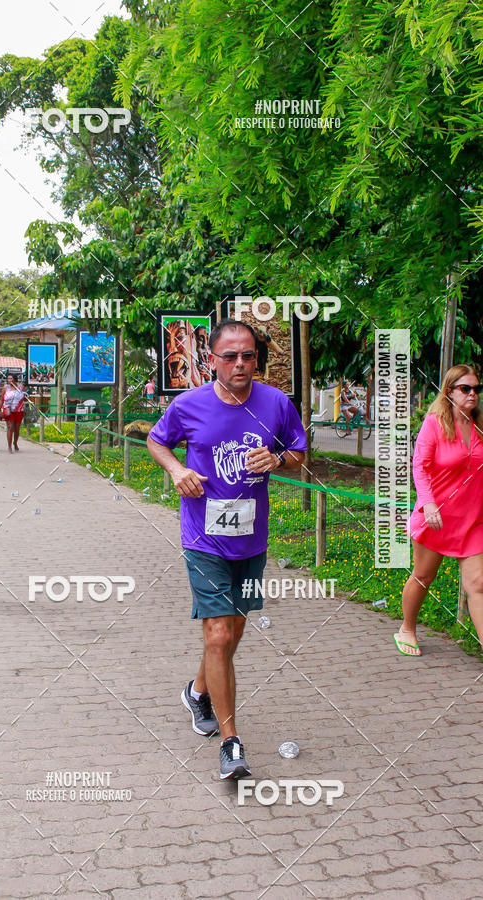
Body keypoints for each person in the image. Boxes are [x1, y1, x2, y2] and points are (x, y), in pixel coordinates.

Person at [147, 318, 307, 779]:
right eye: (231, 356)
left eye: (249, 355)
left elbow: (299, 453)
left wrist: (278, 459)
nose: (241, 364)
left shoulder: (276, 403)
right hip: (203, 538)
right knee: (217, 636)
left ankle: (197, 691)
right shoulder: (189, 404)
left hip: (251, 539)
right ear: (212, 359)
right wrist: (177, 471)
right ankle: (231, 743)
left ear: (258, 358)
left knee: (232, 636)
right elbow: (157, 442)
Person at [396, 364, 483, 656]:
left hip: (473, 520)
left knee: (478, 584)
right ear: (449, 392)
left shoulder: (481, 425)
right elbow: (419, 467)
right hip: (438, 517)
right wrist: (428, 502)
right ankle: (407, 627)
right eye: (465, 389)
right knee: (423, 576)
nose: (473, 394)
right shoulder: (435, 423)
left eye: (476, 389)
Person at [0, 374, 26, 452]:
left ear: (14, 379)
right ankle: (9, 446)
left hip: (19, 410)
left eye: (11, 378)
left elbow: (25, 397)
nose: (9, 380)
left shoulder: (20, 387)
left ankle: (15, 442)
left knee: (17, 429)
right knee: (10, 427)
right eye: (8, 378)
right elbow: (2, 399)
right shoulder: (5, 388)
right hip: (8, 410)